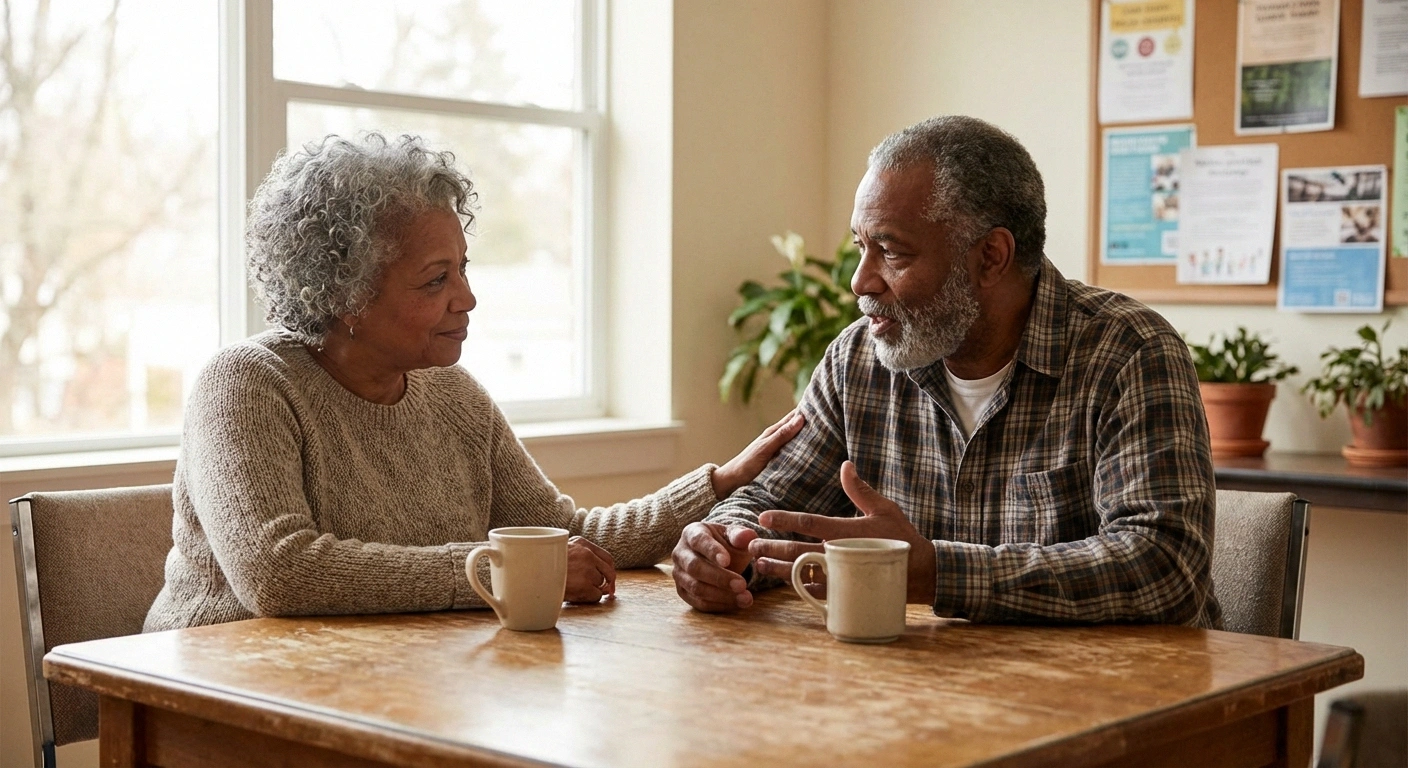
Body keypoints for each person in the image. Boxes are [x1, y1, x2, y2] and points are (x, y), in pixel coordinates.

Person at [145, 133, 801, 632]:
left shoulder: (452, 395)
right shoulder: (247, 385)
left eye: (463, 268)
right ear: (345, 293)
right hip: (219, 690)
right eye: (436, 280)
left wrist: (717, 484)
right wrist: (507, 572)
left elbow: (563, 532)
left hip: (379, 681)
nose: (468, 298)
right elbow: (282, 573)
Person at [671, 116, 1221, 628]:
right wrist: (722, 545)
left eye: (890, 251)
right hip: (928, 691)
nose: (860, 282)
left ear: (991, 257)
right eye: (861, 247)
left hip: (1121, 703)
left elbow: (1165, 568)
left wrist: (940, 574)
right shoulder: (856, 361)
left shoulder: (1129, 352)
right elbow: (772, 501)